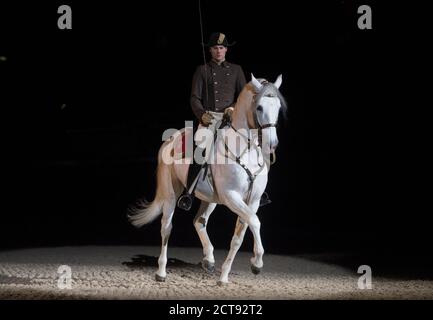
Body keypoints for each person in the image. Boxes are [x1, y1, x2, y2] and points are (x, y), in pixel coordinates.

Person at [177, 32, 271, 211]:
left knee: (256, 145)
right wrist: (201, 114)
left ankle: (260, 191)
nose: (218, 51)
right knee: (200, 150)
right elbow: (194, 98)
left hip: (231, 117)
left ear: (226, 50)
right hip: (210, 117)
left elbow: (244, 96)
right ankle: (187, 193)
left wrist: (232, 108)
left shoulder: (236, 70)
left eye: (221, 48)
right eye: (214, 48)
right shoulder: (202, 70)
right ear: (210, 50)